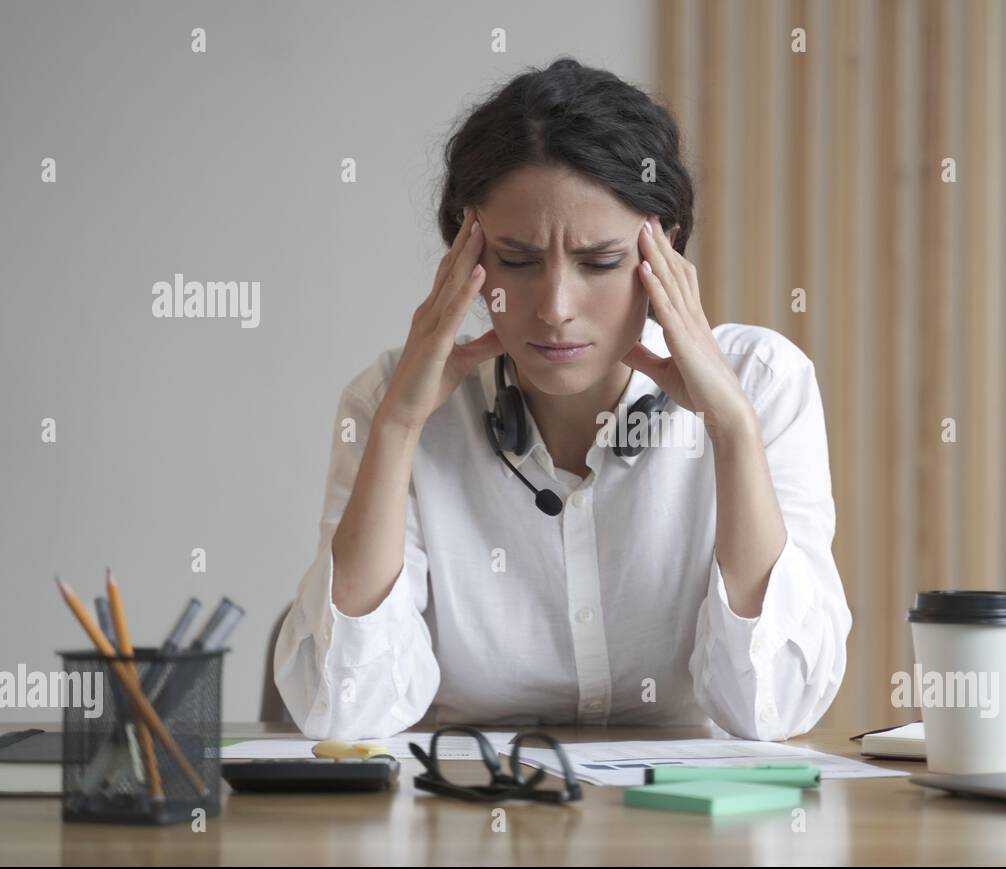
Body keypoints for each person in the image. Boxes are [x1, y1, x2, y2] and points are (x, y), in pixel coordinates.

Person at [273, 57, 850, 741]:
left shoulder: (761, 384)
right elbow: (342, 713)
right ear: (466, 254)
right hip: (462, 821)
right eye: (516, 260)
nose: (555, 308)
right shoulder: (390, 399)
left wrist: (732, 432)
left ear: (664, 251)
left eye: (600, 262)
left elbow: (775, 708)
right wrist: (398, 427)